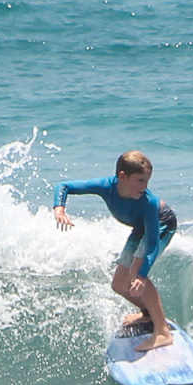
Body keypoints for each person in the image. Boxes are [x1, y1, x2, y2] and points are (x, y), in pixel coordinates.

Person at [53, 150, 178, 352]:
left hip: (162, 222)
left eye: (147, 181)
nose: (145, 187)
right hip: (140, 228)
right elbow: (64, 186)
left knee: (136, 271)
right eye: (140, 180)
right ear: (122, 176)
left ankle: (162, 332)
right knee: (119, 285)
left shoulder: (148, 202)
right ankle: (148, 313)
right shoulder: (106, 187)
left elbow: (153, 243)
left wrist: (142, 275)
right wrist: (59, 208)